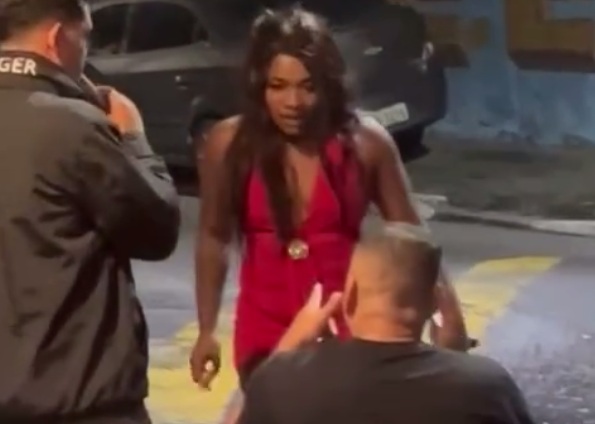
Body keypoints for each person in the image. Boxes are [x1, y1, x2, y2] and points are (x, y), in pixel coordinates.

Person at [191, 5, 469, 392]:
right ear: (259, 85)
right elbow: (213, 237)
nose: (293, 102)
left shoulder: (366, 143)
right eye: (278, 86)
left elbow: (412, 235)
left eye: (307, 86)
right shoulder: (229, 144)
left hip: (350, 333)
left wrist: (448, 314)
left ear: (328, 84)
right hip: (265, 334)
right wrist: (206, 330)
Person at [0, 1, 180, 423]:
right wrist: (134, 137)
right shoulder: (70, 125)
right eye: (85, 37)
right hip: (80, 401)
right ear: (56, 37)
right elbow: (156, 230)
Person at [237, 223, 536, 424]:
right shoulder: (488, 387)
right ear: (435, 302)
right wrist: (458, 358)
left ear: (349, 296)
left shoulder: (281, 381)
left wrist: (286, 351)